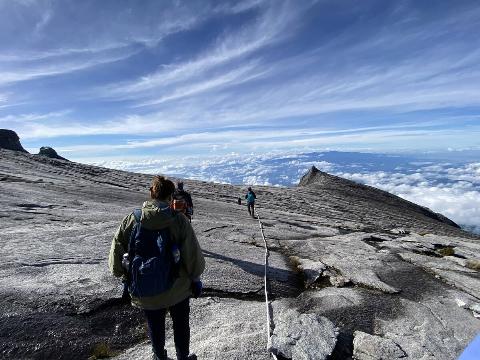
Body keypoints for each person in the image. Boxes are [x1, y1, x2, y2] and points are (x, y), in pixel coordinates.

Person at [109, 176, 205, 360]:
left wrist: (123, 275)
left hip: (145, 287)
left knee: (155, 324)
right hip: (178, 287)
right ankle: (183, 357)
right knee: (181, 323)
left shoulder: (133, 219)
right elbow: (192, 255)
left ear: (151, 193)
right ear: (171, 196)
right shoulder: (179, 220)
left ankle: (159, 356)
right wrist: (195, 279)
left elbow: (116, 251)